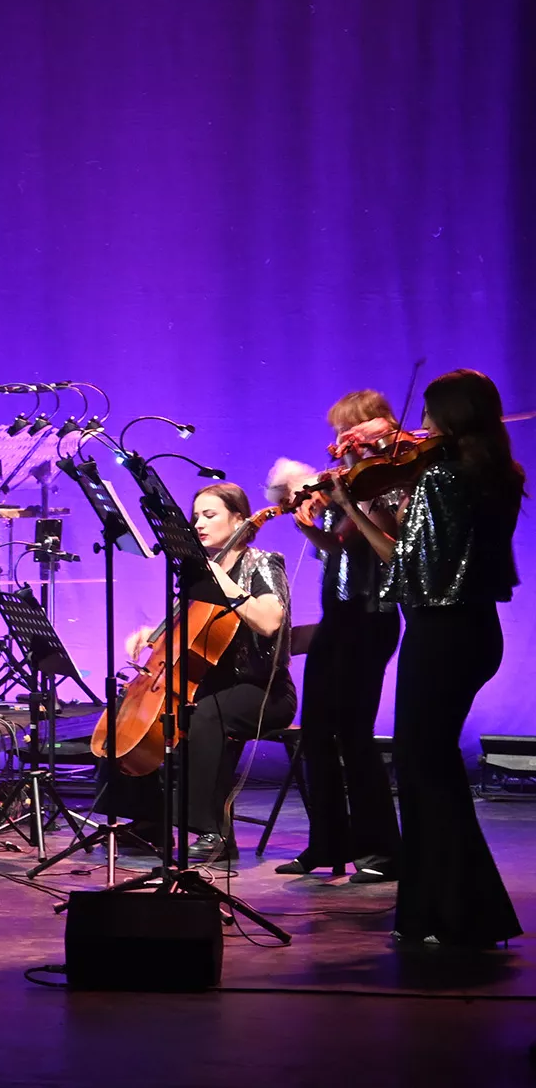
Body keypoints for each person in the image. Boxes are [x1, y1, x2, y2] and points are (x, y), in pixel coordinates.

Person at [334, 368, 523, 948]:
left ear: (447, 417)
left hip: (440, 632)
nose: (419, 428)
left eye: (426, 416)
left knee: (424, 770)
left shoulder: (442, 475)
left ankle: (451, 914)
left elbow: (405, 563)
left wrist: (352, 505)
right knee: (432, 768)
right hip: (475, 631)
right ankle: (460, 910)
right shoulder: (499, 473)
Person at [104, 482, 294, 865]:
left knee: (205, 715)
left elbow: (270, 621)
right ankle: (149, 821)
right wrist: (153, 635)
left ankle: (213, 833)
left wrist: (221, 579)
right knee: (136, 712)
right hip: (209, 685)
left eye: (210, 515)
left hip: (262, 690)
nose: (199, 524)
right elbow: (192, 630)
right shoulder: (200, 573)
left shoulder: (262, 563)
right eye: (196, 517)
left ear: (239, 519)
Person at [273, 390, 403, 880]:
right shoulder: (345, 484)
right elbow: (335, 547)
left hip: (372, 617)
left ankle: (380, 851)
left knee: (354, 735)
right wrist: (305, 522)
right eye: (338, 432)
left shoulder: (388, 484)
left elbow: (380, 541)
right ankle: (326, 844)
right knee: (316, 734)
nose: (342, 439)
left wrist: (351, 496)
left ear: (378, 426)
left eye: (351, 428)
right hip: (338, 619)